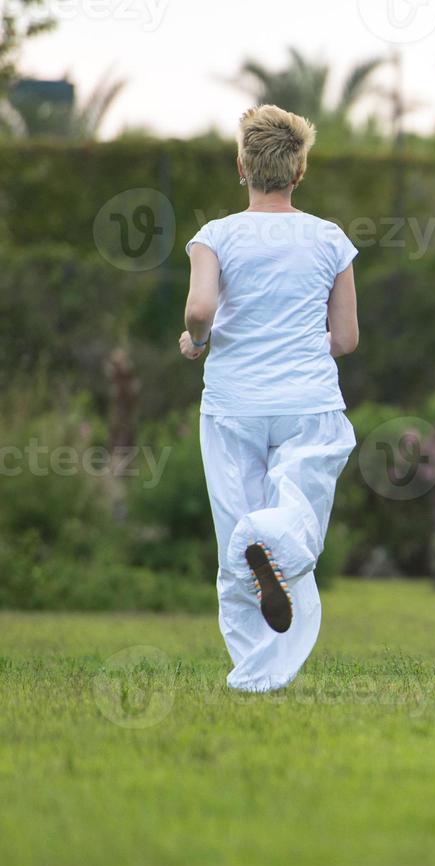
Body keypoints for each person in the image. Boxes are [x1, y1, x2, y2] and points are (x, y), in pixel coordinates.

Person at [178, 104, 359, 692]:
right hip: (307, 399)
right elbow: (347, 339)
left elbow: (200, 310)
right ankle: (271, 538)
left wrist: (196, 339)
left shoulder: (216, 236)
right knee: (296, 520)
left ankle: (256, 675)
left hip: (233, 403)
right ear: (299, 170)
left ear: (241, 165)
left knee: (236, 535)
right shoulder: (330, 239)